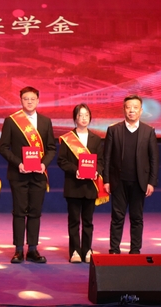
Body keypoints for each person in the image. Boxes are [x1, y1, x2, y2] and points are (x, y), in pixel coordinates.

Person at [0, 86, 56, 264]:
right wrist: (19, 163)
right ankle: (18, 250)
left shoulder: (46, 121)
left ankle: (32, 249)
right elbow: (3, 147)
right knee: (19, 212)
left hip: (38, 174)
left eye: (32, 99)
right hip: (19, 173)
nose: (29, 102)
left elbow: (51, 148)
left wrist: (43, 164)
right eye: (26, 99)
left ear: (38, 100)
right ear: (21, 101)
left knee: (35, 212)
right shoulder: (11, 121)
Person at [103, 95, 159, 255]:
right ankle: (114, 250)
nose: (131, 110)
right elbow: (107, 157)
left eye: (135, 107)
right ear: (124, 110)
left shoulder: (148, 131)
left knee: (137, 218)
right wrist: (106, 180)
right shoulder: (114, 130)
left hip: (139, 182)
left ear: (141, 111)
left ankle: (135, 250)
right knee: (117, 217)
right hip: (118, 181)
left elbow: (154, 158)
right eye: (128, 107)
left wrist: (151, 182)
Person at [57, 104, 106, 263]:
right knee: (74, 221)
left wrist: (96, 171)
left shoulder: (96, 139)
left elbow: (101, 161)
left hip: (90, 186)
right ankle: (75, 251)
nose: (84, 118)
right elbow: (62, 161)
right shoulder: (67, 139)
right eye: (80, 115)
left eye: (86, 115)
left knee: (88, 221)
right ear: (75, 118)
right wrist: (75, 170)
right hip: (73, 185)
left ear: (90, 118)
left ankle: (87, 250)